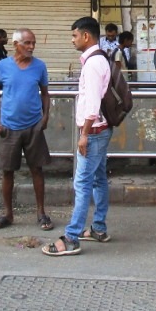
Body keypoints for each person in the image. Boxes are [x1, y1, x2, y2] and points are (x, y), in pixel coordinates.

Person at [43, 16, 112, 256]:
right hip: (101, 129)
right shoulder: (100, 59)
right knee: (99, 178)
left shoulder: (93, 64)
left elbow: (92, 104)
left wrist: (84, 135)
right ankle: (99, 228)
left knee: (82, 182)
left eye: (74, 35)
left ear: (86, 36)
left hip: (93, 132)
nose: (72, 40)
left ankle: (71, 237)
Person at [0, 28, 53, 232]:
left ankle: (41, 213)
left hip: (34, 126)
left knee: (37, 169)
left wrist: (45, 117)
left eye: (33, 43)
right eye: (27, 43)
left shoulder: (39, 67)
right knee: (7, 171)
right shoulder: (1, 67)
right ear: (15, 45)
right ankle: (8, 214)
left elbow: (45, 94)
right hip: (9, 127)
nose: (31, 47)